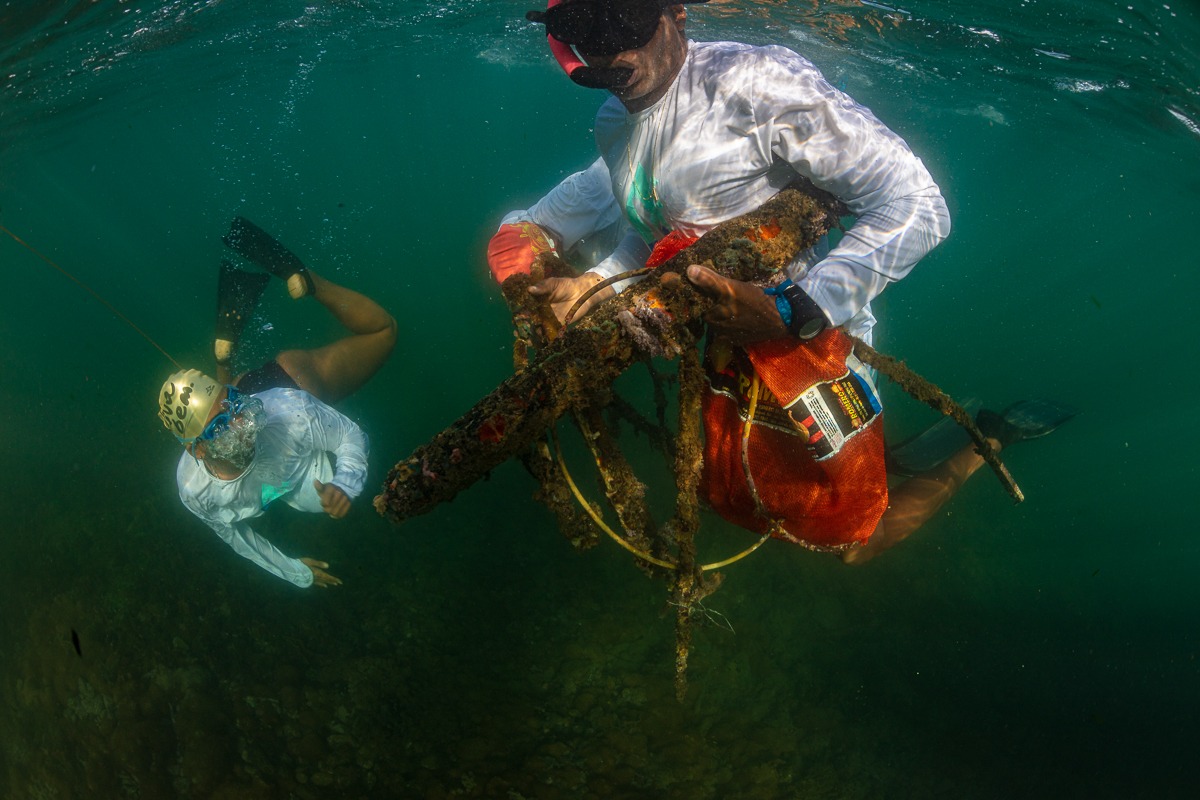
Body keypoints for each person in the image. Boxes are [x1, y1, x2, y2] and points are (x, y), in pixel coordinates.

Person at [495, 0, 1073, 564]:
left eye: (626, 15)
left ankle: (988, 438)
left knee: (855, 537)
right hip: (731, 353)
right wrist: (595, 282)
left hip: (818, 345)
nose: (610, 48)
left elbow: (918, 205)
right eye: (582, 26)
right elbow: (660, 236)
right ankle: (909, 450)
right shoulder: (615, 123)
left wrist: (795, 310)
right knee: (746, 490)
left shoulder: (754, 83)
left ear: (676, 15)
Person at [158, 217, 397, 588]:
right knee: (236, 397)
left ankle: (311, 282)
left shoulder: (290, 409)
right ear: (197, 452)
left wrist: (347, 483)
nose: (242, 421)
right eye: (223, 423)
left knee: (384, 332)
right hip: (253, 390)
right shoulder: (194, 492)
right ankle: (225, 368)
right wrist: (295, 571)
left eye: (235, 406)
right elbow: (233, 535)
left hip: (294, 382)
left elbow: (349, 434)